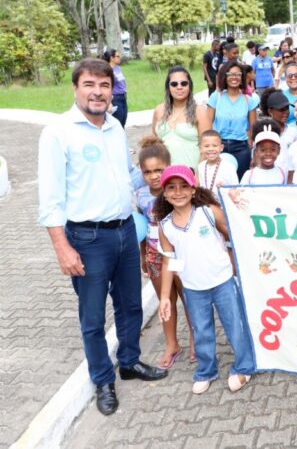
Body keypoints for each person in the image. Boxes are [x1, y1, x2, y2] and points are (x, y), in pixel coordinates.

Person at [38, 58, 167, 416]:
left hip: (124, 231)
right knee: (93, 318)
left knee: (130, 305)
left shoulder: (113, 127)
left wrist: (167, 174)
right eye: (89, 84)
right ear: (75, 88)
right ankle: (103, 380)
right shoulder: (58, 133)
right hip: (87, 239)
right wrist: (62, 247)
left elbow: (127, 176)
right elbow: (50, 200)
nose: (97, 92)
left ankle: (129, 361)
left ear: (112, 90)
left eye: (104, 85)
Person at [157, 165, 255, 394]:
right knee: (201, 331)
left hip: (223, 282)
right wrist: (165, 297)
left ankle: (244, 366)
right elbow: (170, 262)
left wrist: (233, 202)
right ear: (165, 193)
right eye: (171, 188)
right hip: (193, 288)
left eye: (184, 186)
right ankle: (206, 370)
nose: (178, 192)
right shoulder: (165, 226)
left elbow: (234, 232)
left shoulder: (208, 212)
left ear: (193, 190)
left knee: (235, 326)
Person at [136, 136, 194, 368]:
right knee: (166, 299)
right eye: (148, 172)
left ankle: (196, 339)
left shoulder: (175, 192)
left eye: (159, 170)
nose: (153, 176)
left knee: (188, 297)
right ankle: (172, 344)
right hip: (154, 255)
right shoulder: (140, 195)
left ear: (168, 167)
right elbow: (140, 227)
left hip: (179, 254)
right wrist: (143, 255)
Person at [207, 61, 259, 179]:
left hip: (241, 147)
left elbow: (253, 128)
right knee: (218, 181)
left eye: (238, 74)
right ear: (224, 77)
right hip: (218, 146)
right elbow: (208, 124)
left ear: (242, 77)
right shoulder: (216, 97)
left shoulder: (249, 100)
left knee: (239, 182)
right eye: (230, 74)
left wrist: (253, 152)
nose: (234, 77)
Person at [152, 66, 210, 169]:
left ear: (190, 86)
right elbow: (153, 144)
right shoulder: (159, 110)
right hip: (165, 173)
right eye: (174, 84)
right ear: (168, 87)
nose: (179, 87)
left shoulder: (200, 111)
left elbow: (208, 148)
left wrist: (197, 175)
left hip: (192, 173)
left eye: (184, 83)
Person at [197, 129, 239, 203]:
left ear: (221, 147)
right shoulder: (201, 166)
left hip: (225, 205)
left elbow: (236, 190)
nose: (211, 149)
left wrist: (224, 189)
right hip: (206, 204)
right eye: (206, 146)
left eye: (215, 146)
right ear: (201, 148)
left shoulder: (229, 167)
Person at [103, 49, 128, 127]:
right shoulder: (107, 71)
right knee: (118, 124)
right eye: (117, 56)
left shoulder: (118, 68)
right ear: (111, 58)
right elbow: (106, 87)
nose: (119, 58)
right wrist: (109, 102)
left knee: (123, 121)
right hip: (115, 98)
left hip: (123, 97)